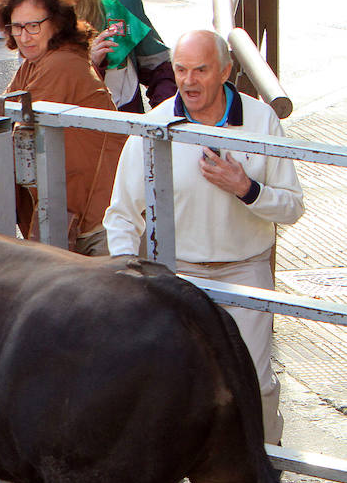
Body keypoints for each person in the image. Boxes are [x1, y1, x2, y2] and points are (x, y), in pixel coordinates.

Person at [105, 30, 303, 443]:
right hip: (178, 275)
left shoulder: (262, 119)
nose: (189, 81)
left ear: (226, 71)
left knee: (256, 385)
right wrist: (129, 276)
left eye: (201, 70)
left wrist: (245, 188)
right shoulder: (156, 124)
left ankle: (265, 476)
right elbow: (122, 215)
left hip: (246, 268)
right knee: (183, 389)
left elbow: (291, 208)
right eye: (180, 69)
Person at [0, 0, 123, 255]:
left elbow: (11, 133)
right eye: (17, 27)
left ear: (57, 23)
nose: (25, 36)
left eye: (33, 26)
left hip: (99, 222)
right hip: (84, 216)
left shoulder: (61, 63)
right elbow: (2, 112)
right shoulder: (36, 62)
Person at [39, 0, 174, 112]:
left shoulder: (121, 6)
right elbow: (36, 87)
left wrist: (161, 120)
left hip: (121, 127)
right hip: (62, 131)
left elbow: (160, 69)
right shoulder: (34, 17)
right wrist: (89, 64)